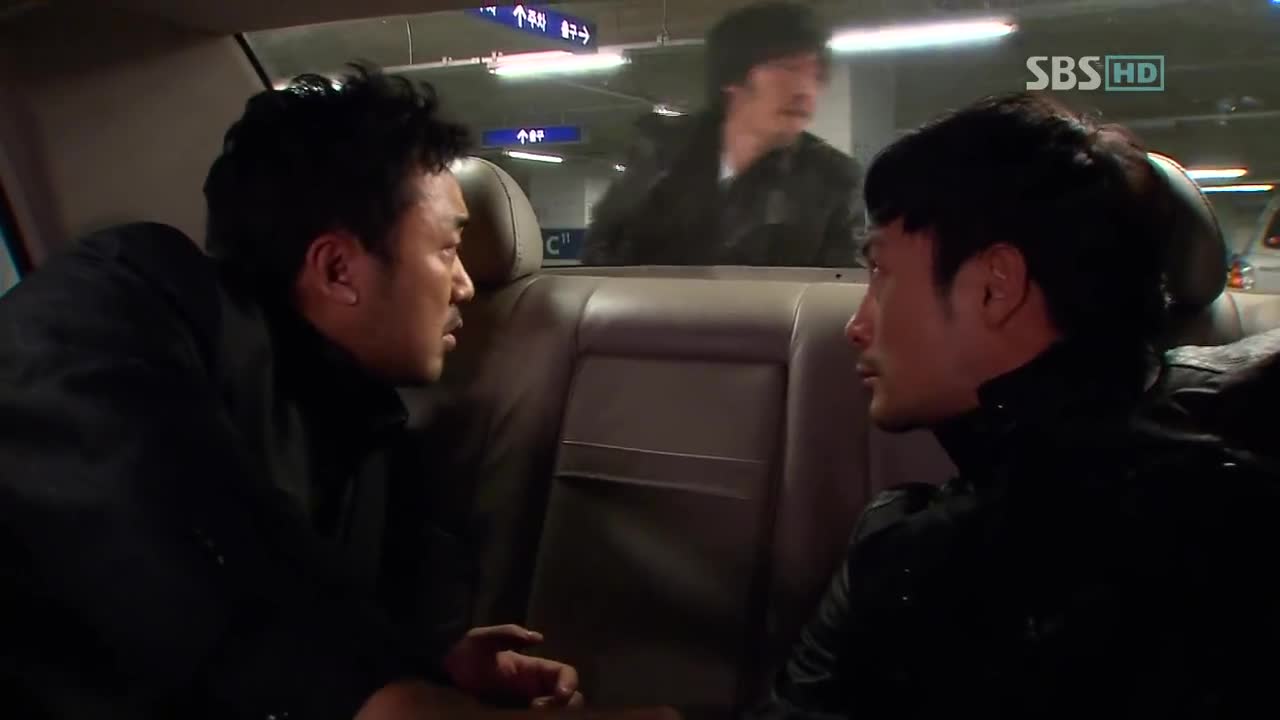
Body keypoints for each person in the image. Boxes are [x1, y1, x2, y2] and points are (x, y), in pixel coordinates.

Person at [0, 67, 586, 719]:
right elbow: (158, 526)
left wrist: (433, 665)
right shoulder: (122, 300)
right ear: (338, 270)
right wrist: (387, 694)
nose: (465, 285)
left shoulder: (370, 430)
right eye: (448, 249)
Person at [754, 93, 1280, 718]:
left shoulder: (920, 561)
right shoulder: (1241, 476)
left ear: (995, 286)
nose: (858, 325)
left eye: (881, 272)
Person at [581, 1, 862, 268]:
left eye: (815, 74)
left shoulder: (832, 181)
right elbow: (601, 254)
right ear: (733, 77)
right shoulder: (662, 155)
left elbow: (844, 289)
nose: (805, 90)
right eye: (787, 69)